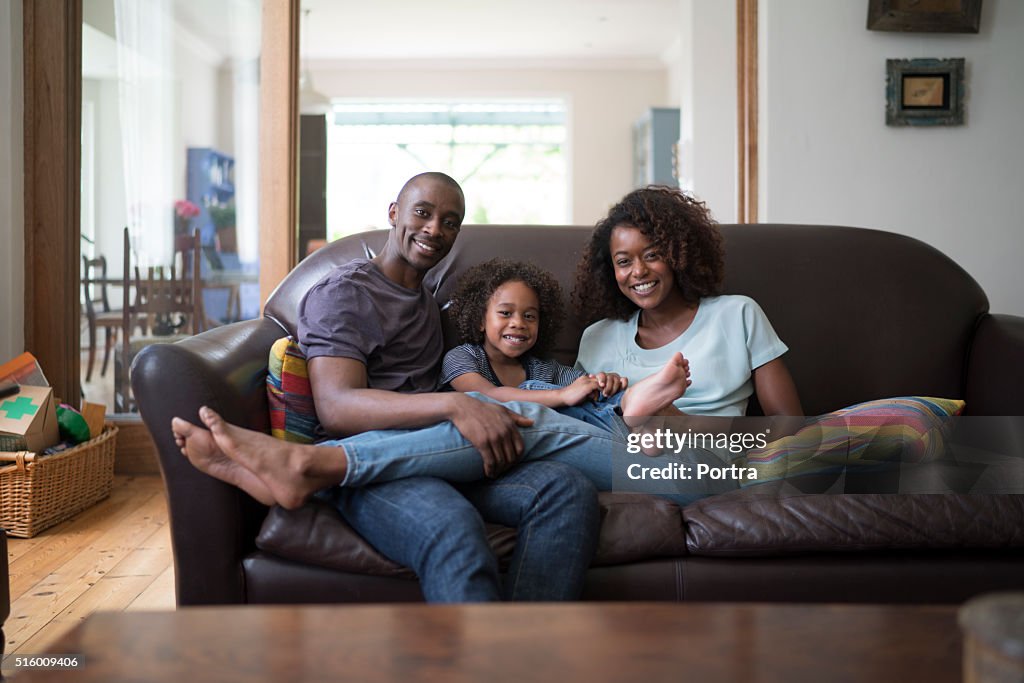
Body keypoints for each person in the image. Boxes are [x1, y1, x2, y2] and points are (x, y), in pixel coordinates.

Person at [173, 171, 617, 603]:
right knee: (453, 526)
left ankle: (529, 655)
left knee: (566, 490)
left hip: (438, 452)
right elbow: (337, 407)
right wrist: (452, 408)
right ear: (393, 212)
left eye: (449, 222)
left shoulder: (426, 303)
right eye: (422, 212)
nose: (433, 229)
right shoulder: (344, 294)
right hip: (371, 464)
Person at [572, 186, 803, 426]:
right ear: (610, 270)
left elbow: (788, 422)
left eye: (653, 255)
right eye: (624, 261)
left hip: (709, 453)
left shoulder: (738, 315)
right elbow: (578, 422)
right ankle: (638, 408)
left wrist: (684, 425)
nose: (639, 271)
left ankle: (666, 421)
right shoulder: (597, 337)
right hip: (614, 451)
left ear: (678, 254)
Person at [440, 258, 692, 436]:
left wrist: (605, 382)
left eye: (530, 316)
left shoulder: (545, 369)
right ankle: (636, 413)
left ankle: (635, 405)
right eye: (505, 313)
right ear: (480, 320)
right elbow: (486, 395)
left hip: (589, 430)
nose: (518, 323)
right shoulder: (463, 357)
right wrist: (560, 396)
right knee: (539, 393)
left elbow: (587, 385)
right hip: (507, 435)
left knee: (587, 396)